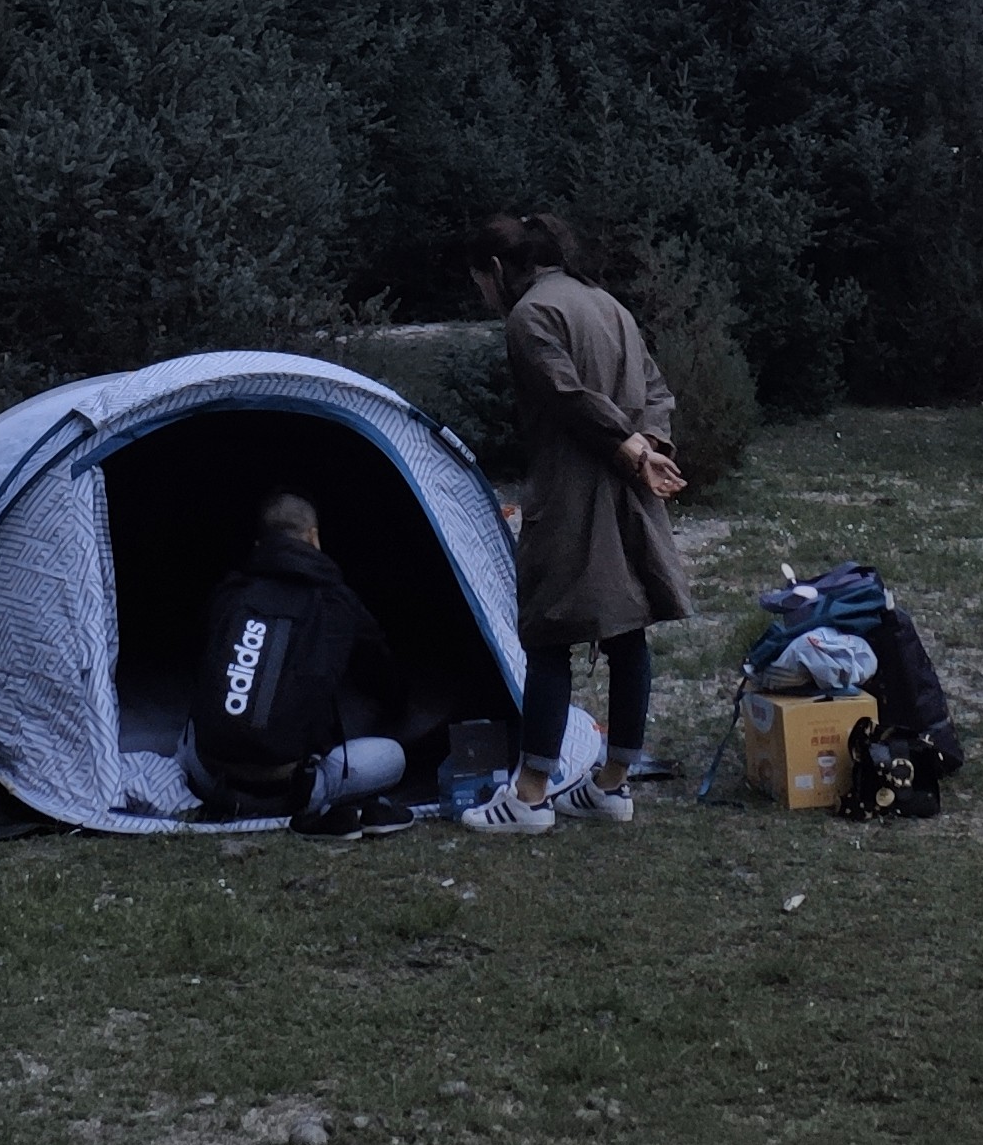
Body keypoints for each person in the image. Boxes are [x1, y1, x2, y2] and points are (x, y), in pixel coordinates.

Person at [462, 213, 690, 833]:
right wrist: (650, 445)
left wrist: (631, 450)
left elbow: (565, 397)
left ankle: (531, 797)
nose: (484, 295)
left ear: (500, 270)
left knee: (549, 634)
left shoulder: (531, 314)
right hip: (628, 492)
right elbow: (655, 390)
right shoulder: (606, 303)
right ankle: (611, 786)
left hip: (572, 496)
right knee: (625, 631)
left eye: (481, 281)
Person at [184, 492, 420, 836]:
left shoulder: (230, 591)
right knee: (391, 756)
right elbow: (381, 679)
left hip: (207, 780)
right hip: (290, 793)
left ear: (259, 543)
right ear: (313, 536)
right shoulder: (338, 601)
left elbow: (201, 667)